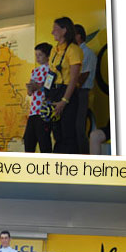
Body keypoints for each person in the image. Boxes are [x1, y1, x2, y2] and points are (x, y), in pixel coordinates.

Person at [46, 17, 83, 154]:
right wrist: (47, 96)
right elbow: (50, 74)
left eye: (55, 29)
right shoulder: (54, 50)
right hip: (54, 92)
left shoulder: (73, 50)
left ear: (64, 30)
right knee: (57, 132)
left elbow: (74, 79)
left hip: (67, 93)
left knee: (68, 132)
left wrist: (64, 101)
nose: (52, 32)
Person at [23, 42, 53, 153]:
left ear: (47, 56)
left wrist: (38, 86)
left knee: (43, 141)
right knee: (28, 140)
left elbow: (49, 87)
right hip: (33, 111)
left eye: (40, 55)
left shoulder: (51, 69)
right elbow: (30, 93)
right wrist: (30, 88)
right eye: (36, 55)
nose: (37, 58)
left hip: (44, 110)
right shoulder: (35, 71)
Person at [74, 24, 97, 154]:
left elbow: (82, 77)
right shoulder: (77, 52)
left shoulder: (86, 53)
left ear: (79, 36)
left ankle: (83, 157)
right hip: (76, 92)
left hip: (81, 92)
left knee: (79, 127)